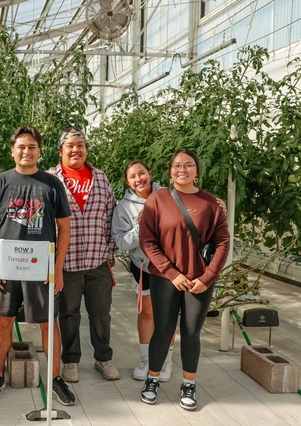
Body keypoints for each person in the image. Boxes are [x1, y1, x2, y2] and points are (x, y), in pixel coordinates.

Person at [0, 125, 76, 406]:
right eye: (21, 147)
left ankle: (56, 377)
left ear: (39, 151)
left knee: (49, 323)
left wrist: (57, 268)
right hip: (8, 268)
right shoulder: (0, 182)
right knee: (2, 321)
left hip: (41, 268)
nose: (26, 151)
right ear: (12, 151)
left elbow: (64, 228)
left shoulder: (51, 184)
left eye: (32, 147)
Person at [138, 149, 229, 411]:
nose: (183, 170)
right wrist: (171, 272)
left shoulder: (211, 203)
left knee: (191, 333)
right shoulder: (157, 200)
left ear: (197, 171)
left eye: (189, 165)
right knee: (163, 331)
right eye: (177, 165)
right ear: (170, 170)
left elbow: (222, 242)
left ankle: (189, 384)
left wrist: (208, 276)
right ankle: (152, 379)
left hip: (199, 280)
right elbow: (148, 240)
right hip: (165, 278)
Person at [47, 127, 119, 383]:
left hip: (98, 260)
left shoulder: (100, 178)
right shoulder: (50, 179)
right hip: (66, 262)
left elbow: (112, 214)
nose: (76, 150)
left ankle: (103, 358)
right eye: (70, 146)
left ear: (86, 149)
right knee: (69, 314)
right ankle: (71, 360)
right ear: (61, 151)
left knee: (101, 313)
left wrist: (110, 251)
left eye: (81, 145)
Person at [112, 161, 175, 382]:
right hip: (143, 266)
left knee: (167, 314)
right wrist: (141, 227)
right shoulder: (124, 208)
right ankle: (147, 359)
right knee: (147, 312)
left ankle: (165, 360)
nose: (138, 179)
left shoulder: (170, 195)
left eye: (141, 173)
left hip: (169, 266)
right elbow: (120, 242)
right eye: (132, 176)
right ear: (127, 181)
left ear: (150, 173)